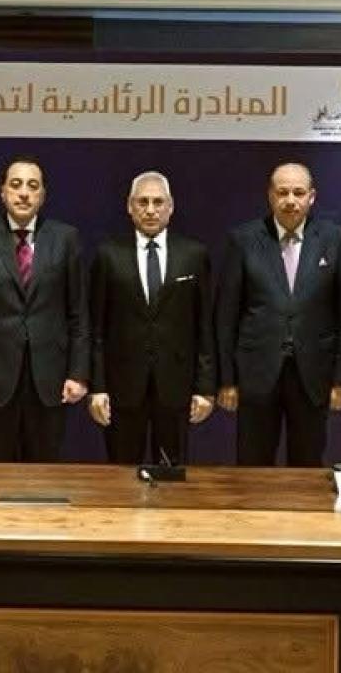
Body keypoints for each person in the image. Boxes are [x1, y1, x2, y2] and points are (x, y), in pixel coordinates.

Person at [215, 162, 341, 467]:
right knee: (253, 464)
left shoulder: (335, 239)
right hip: (257, 373)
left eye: (298, 192)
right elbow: (226, 316)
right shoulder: (244, 239)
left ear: (312, 197)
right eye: (282, 192)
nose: (290, 200)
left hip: (313, 374)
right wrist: (227, 380)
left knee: (307, 464)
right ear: (270, 196)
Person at [0, 156, 88, 462]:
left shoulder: (66, 239)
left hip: (50, 382)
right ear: (3, 192)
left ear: (42, 195)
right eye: (16, 185)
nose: (24, 193)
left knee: (44, 475)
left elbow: (78, 312)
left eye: (32, 186)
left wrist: (78, 373)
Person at [88, 171, 214, 464]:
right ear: (129, 207)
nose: (150, 210)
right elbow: (96, 328)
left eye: (158, 202)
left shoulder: (193, 254)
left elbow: (204, 325)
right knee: (121, 474)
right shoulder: (108, 255)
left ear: (171, 207)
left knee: (171, 476)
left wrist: (205, 388)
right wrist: (97, 387)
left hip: (175, 386)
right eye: (142, 202)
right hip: (122, 387)